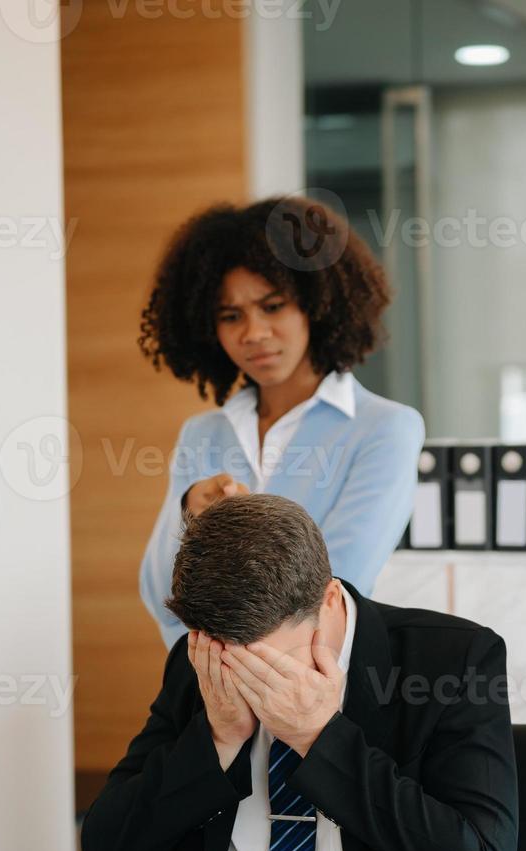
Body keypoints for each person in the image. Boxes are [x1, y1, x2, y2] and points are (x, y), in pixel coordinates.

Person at [82, 494, 526, 851]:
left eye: (271, 664)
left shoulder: (451, 662)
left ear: (328, 601)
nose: (252, 682)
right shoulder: (200, 662)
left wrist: (321, 740)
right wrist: (217, 741)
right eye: (233, 662)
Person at [137, 196, 424, 649]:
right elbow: (160, 596)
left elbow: (337, 590)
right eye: (231, 316)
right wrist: (189, 510)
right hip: (210, 698)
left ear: (317, 303)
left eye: (273, 306)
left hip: (322, 696)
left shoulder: (384, 430)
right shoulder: (204, 434)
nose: (253, 333)